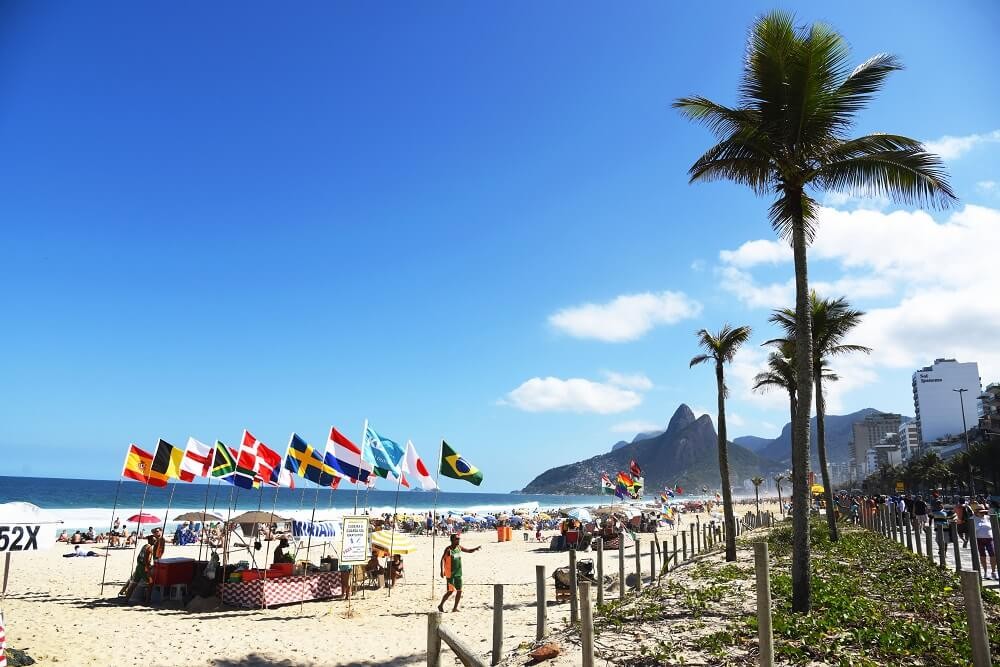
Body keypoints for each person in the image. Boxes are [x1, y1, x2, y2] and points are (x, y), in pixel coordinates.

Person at [438, 533, 481, 612]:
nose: (458, 540)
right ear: (452, 540)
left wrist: (475, 549)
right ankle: (440, 605)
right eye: (457, 539)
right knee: (450, 591)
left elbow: (468, 551)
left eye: (459, 539)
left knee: (459, 590)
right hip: (450, 574)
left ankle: (455, 608)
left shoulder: (459, 547)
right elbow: (442, 560)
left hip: (458, 573)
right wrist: (441, 571)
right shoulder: (448, 549)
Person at [119, 536, 156, 600]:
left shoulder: (144, 546)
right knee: (150, 583)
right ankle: (147, 600)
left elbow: (139, 557)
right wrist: (148, 568)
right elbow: (147, 560)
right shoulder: (150, 548)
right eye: (154, 540)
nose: (155, 542)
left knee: (134, 583)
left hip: (139, 566)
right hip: (143, 567)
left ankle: (126, 599)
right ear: (150, 540)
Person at [973, 507, 997, 580]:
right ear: (976, 512)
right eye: (981, 512)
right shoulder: (973, 518)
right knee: (982, 555)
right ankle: (985, 572)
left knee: (993, 554)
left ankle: (993, 572)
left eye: (984, 512)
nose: (983, 513)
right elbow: (973, 529)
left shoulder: (988, 518)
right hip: (979, 539)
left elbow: (993, 526)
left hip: (989, 538)